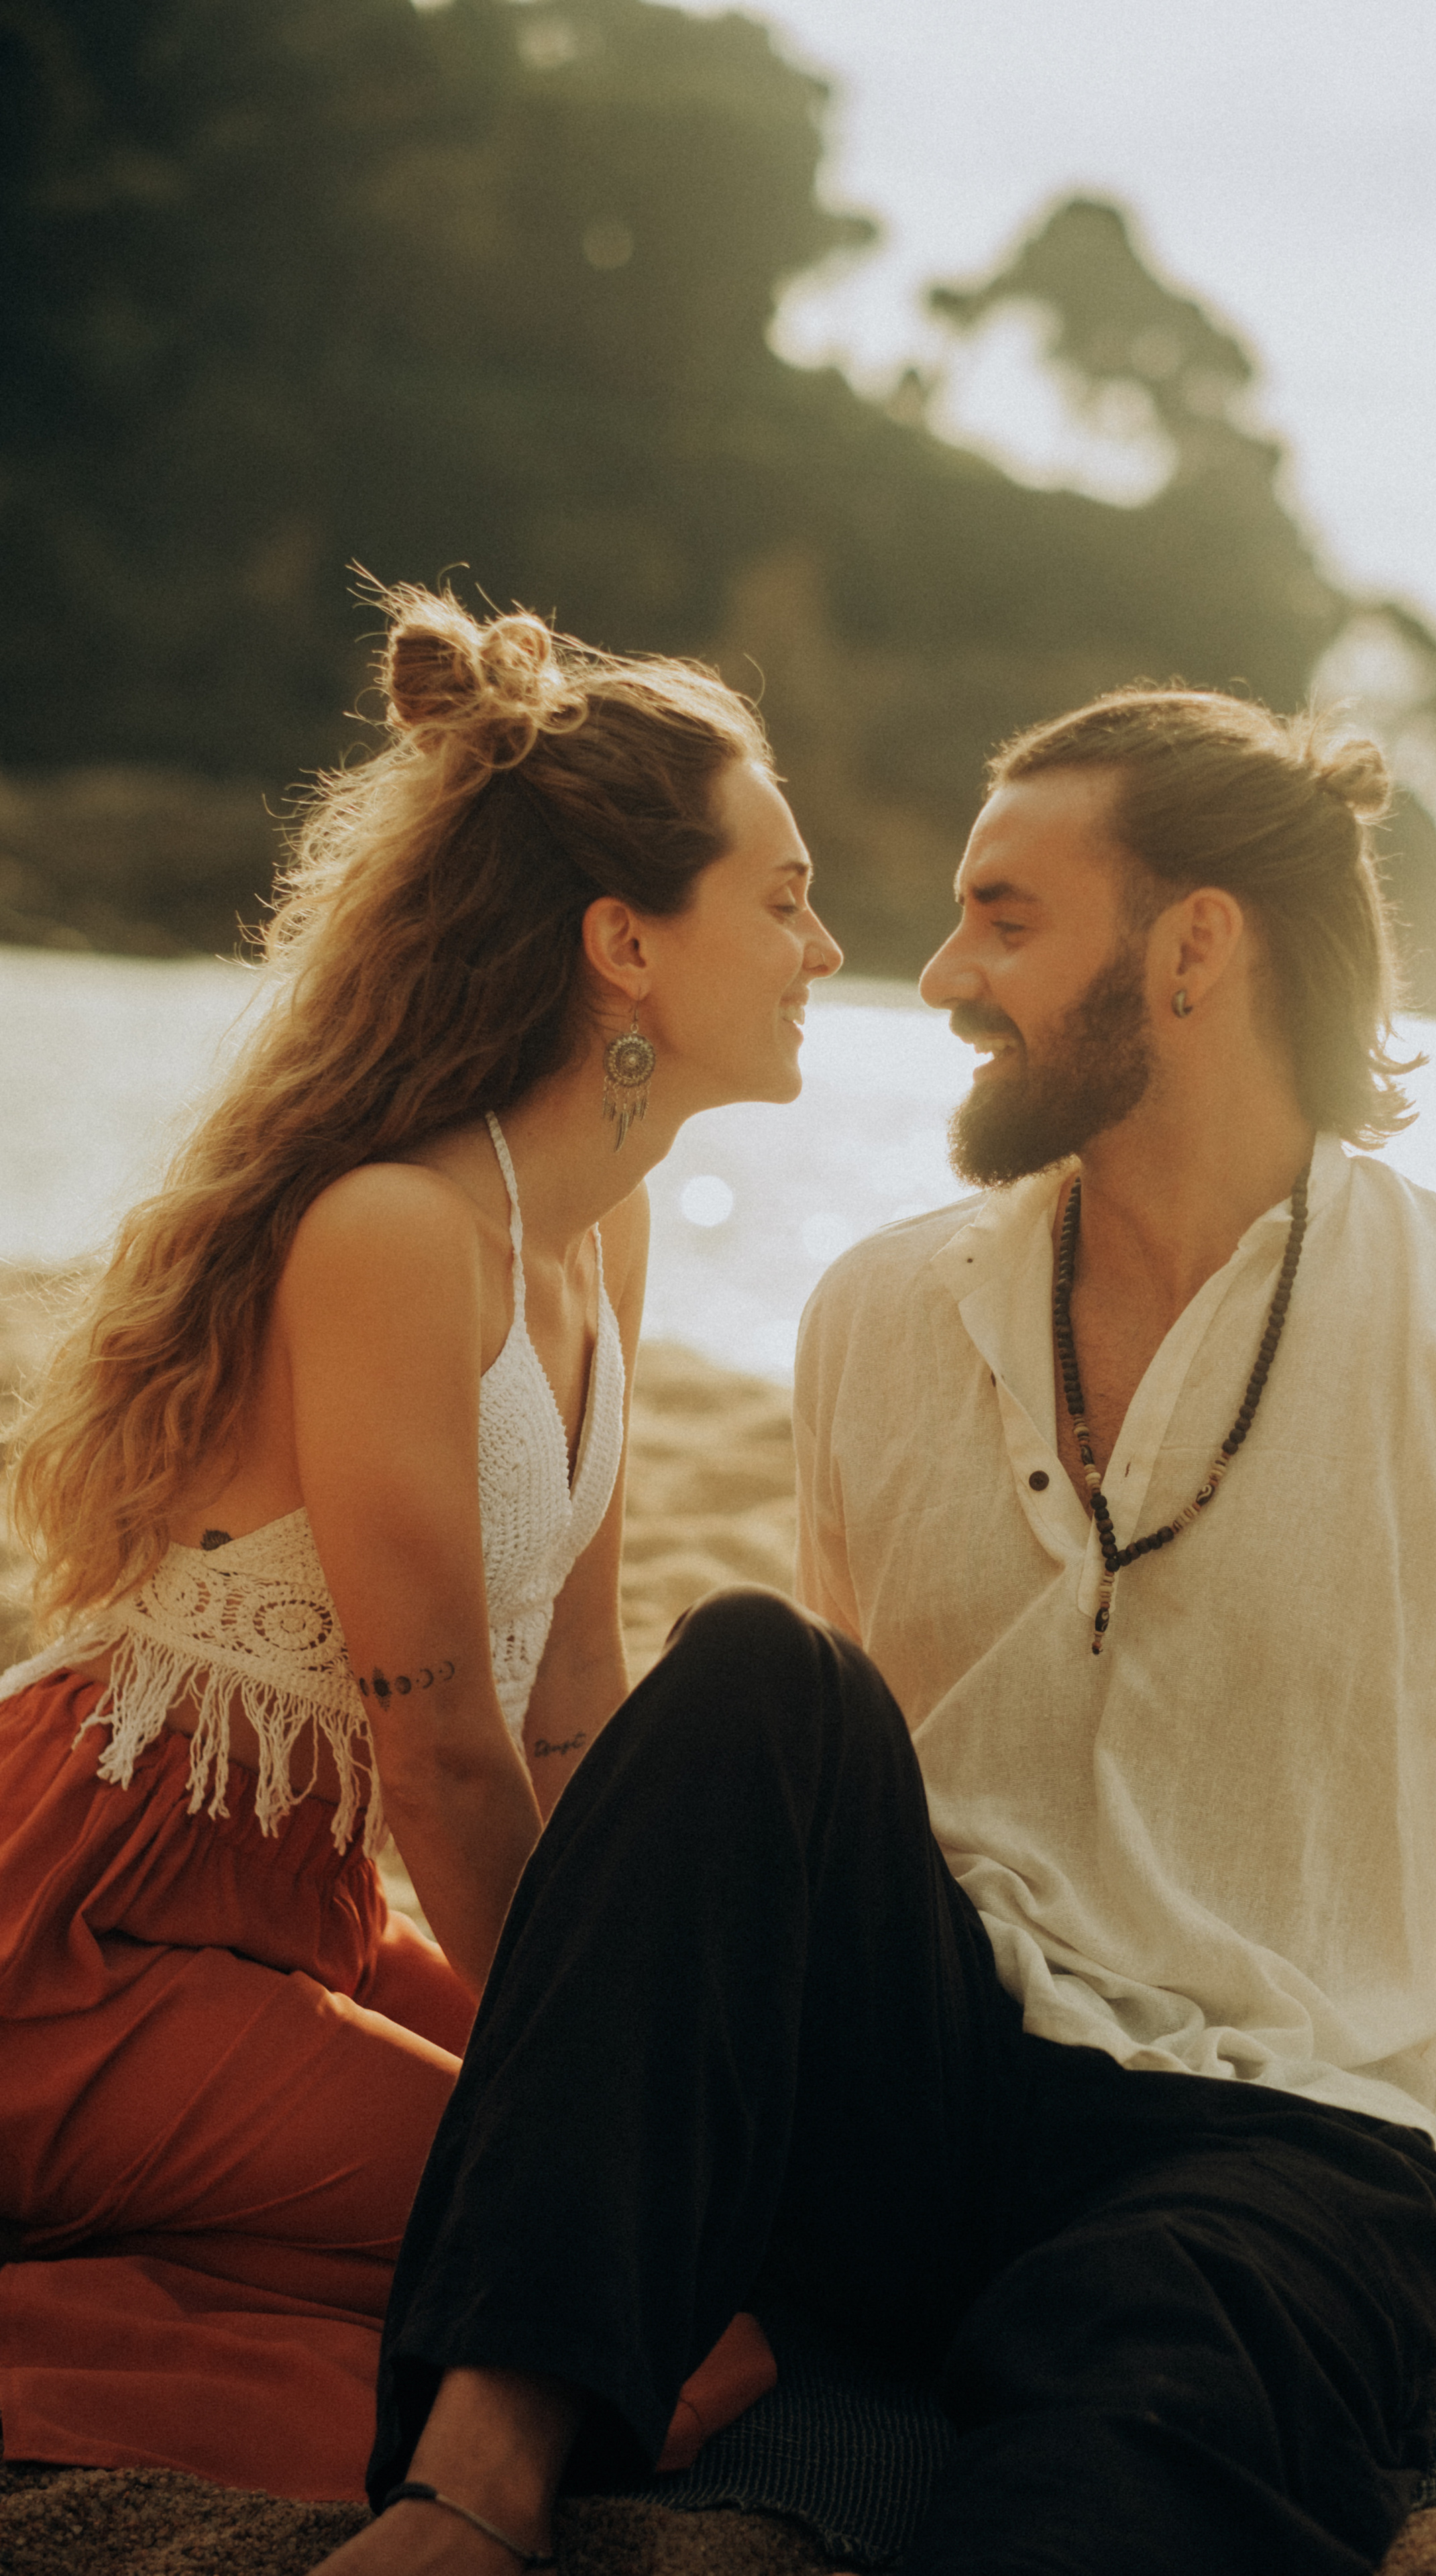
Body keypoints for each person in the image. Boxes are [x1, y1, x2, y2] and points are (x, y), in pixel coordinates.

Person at [315, 686, 1436, 2576]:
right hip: (921, 2099)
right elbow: (807, 1824)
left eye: (1009, 917)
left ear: (1197, 948)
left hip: (1285, 2146)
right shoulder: (875, 1313)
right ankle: (468, 2487)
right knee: (748, 1672)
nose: (940, 970)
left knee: (1135, 2400)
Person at [0, 586, 840, 2502]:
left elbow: (568, 1697)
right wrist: (605, 2085)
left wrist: (669, 2013)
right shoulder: (398, 1230)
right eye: (782, 898)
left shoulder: (602, 1234)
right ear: (626, 943)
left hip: (288, 1907)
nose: (826, 945)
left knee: (729, 2222)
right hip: (77, 1924)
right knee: (649, 2293)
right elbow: (441, 1749)